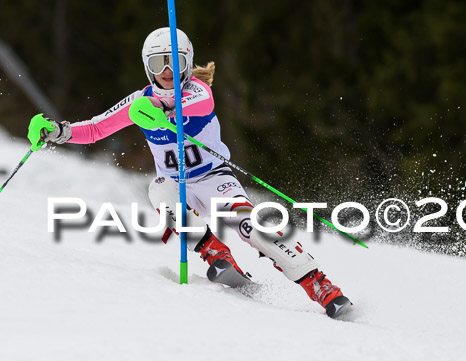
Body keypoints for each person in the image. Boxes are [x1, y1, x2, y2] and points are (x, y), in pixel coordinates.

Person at [28, 27, 352, 318]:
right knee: (159, 190)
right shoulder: (139, 101)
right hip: (176, 184)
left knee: (249, 225)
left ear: (188, 63)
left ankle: (320, 285)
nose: (167, 72)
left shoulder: (197, 91)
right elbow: (96, 128)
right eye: (158, 64)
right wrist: (56, 132)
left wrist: (163, 111)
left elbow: (200, 105)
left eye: (175, 62)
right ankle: (215, 253)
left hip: (215, 179)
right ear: (147, 68)